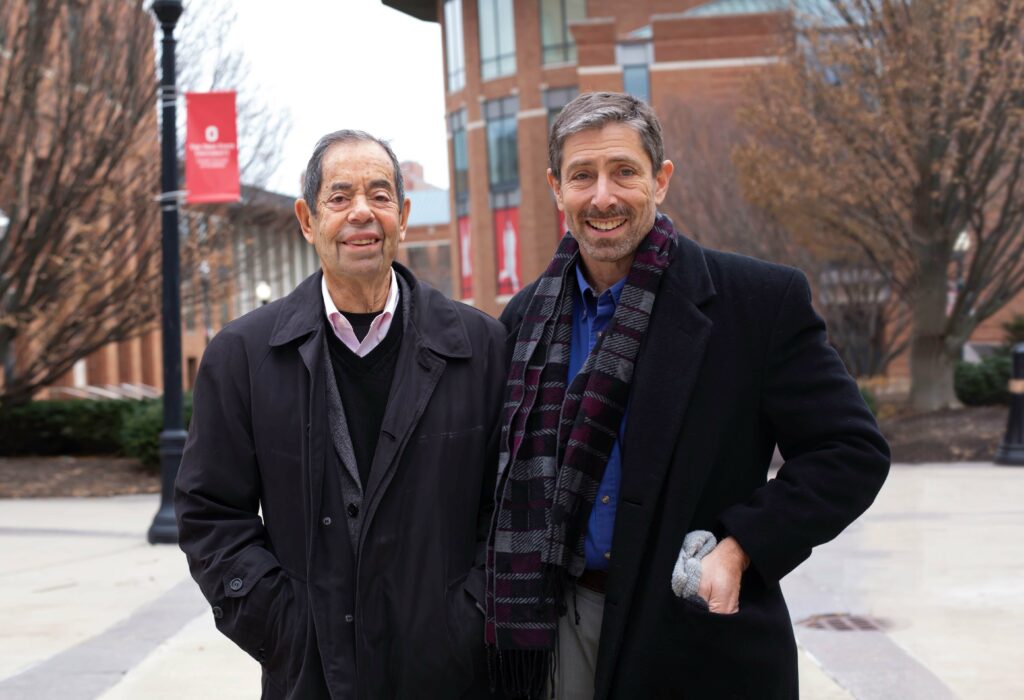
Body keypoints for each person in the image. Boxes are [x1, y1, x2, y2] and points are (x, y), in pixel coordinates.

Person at [485, 92, 890, 699]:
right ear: (556, 187)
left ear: (661, 180)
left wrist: (741, 547)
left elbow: (851, 452)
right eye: (582, 176)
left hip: (687, 631)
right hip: (553, 629)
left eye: (624, 172)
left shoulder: (756, 302)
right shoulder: (524, 321)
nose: (603, 196)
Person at [176, 130, 506, 699]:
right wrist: (285, 626)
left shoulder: (480, 346)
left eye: (380, 196)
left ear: (402, 216)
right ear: (307, 220)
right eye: (340, 196)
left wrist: (467, 620)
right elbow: (211, 513)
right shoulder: (244, 355)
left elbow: (509, 508)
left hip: (446, 675)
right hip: (310, 674)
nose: (362, 213)